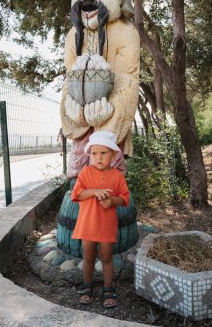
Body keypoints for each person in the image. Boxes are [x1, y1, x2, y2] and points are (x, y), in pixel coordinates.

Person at [71, 131, 129, 308]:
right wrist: (95, 192)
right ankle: (87, 286)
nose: (98, 157)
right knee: (88, 256)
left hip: (106, 225)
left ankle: (108, 288)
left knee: (106, 256)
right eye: (94, 153)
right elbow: (77, 193)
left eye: (103, 153)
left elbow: (124, 198)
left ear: (113, 154)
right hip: (87, 224)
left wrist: (112, 201)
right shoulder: (85, 173)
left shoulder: (117, 176)